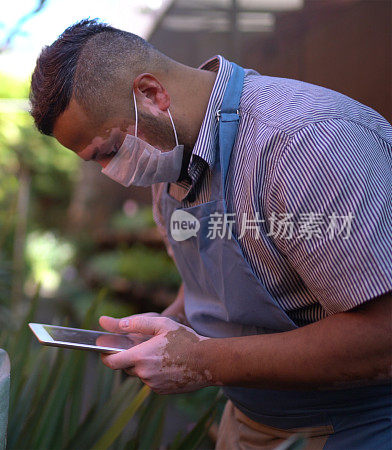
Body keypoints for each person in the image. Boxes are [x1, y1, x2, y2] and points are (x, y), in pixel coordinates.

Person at [28, 19, 392, 449]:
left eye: (109, 151)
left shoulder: (303, 143)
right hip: (248, 420)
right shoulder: (167, 163)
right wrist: (170, 324)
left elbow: (381, 336)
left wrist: (201, 362)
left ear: (151, 94)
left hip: (356, 427)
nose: (112, 172)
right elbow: (210, 281)